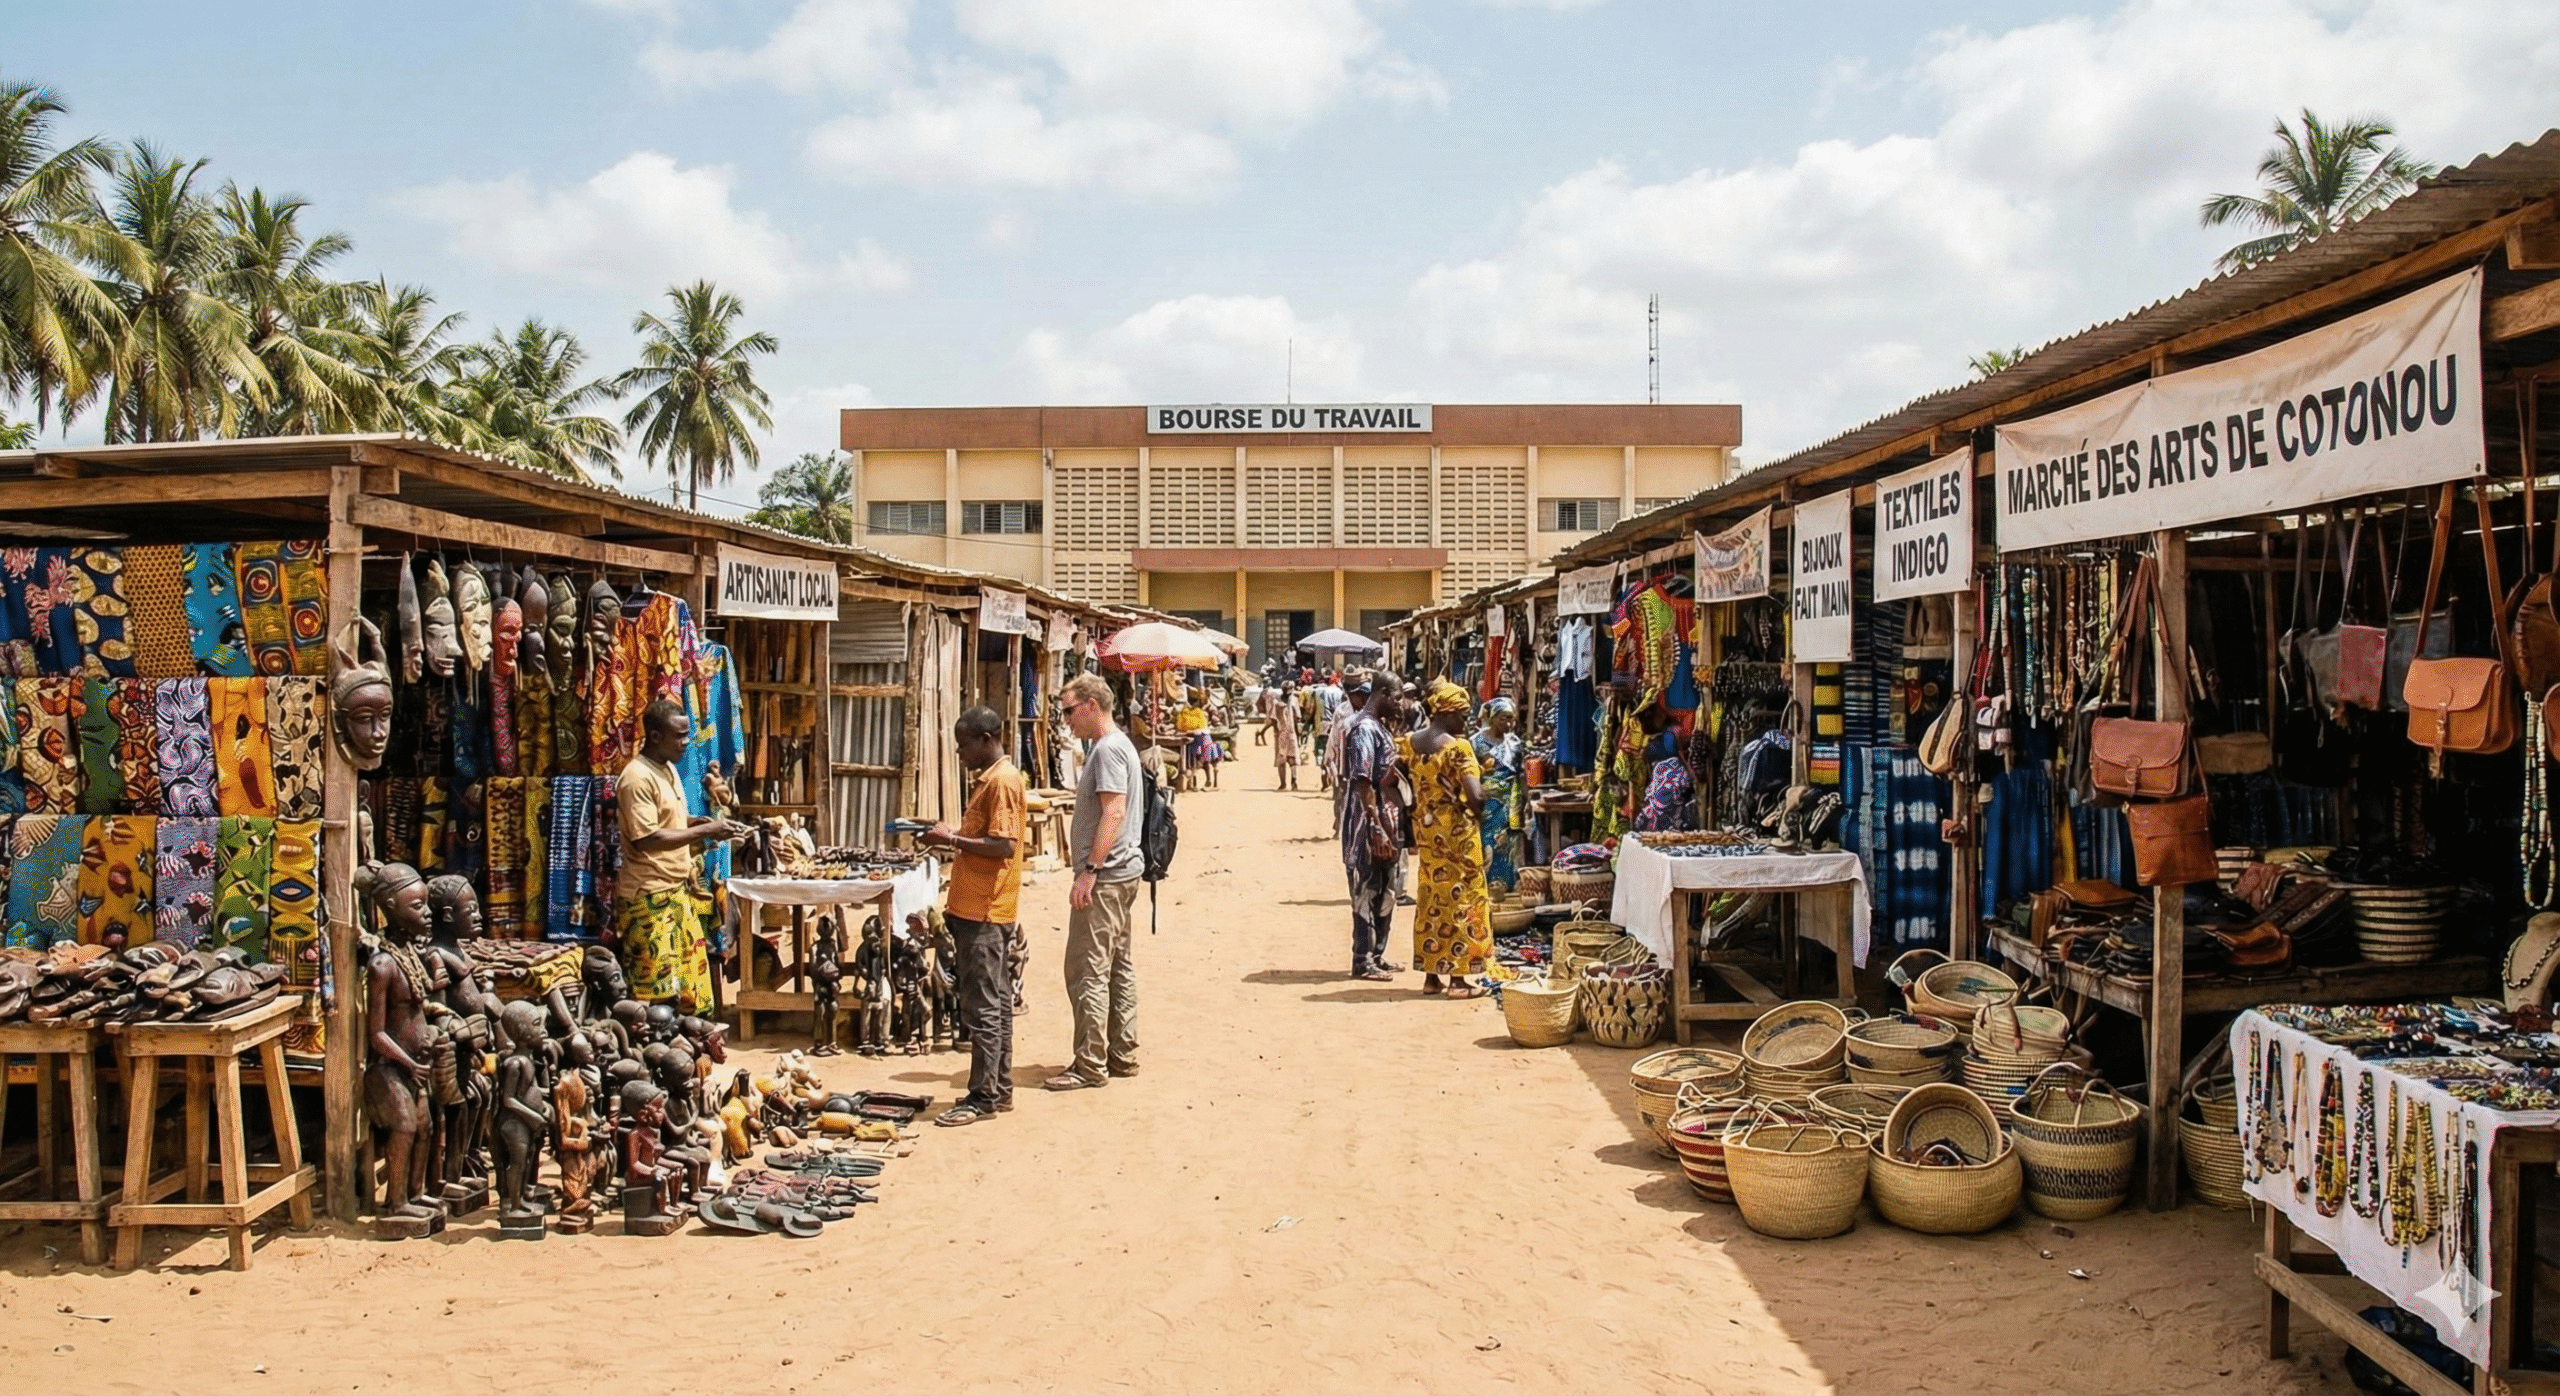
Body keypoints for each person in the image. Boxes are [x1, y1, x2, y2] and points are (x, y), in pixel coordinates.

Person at [616, 700, 751, 1015]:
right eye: (679, 736)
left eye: (687, 734)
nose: (686, 743)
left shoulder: (667, 769)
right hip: (648, 898)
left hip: (676, 892)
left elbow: (668, 823)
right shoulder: (636, 778)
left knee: (689, 990)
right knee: (656, 997)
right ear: (654, 736)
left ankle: (684, 1054)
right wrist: (704, 833)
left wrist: (698, 824)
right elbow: (647, 838)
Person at [925, 706, 1025, 1126]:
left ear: (986, 740)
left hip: (984, 910)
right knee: (996, 1004)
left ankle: (982, 1096)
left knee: (983, 1007)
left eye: (964, 745)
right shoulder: (996, 779)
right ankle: (997, 1089)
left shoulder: (1000, 781)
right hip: (985, 907)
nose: (959, 754)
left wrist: (954, 839)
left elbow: (1002, 845)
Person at [1050, 673, 1143, 1089]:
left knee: (1088, 969)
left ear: (1091, 705)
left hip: (1106, 877)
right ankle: (1120, 1053)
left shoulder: (1107, 750)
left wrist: (1089, 870)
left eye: (1069, 710)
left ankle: (1090, 1064)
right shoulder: (1118, 746)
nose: (1066, 719)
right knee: (1118, 966)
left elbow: (1114, 812)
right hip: (1124, 873)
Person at [1410, 681, 1492, 998]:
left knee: (1432, 900)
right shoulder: (1459, 748)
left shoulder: (1411, 743)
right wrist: (1479, 806)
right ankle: (1458, 980)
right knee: (1465, 899)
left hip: (1429, 834)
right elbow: (1475, 794)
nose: (1466, 722)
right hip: (1457, 833)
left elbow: (1390, 780)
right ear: (1449, 713)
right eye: (1463, 715)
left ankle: (1432, 977)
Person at [1338, 671, 1405, 981]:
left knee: (1387, 889)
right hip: (1369, 823)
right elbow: (1363, 781)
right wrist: (1376, 826)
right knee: (1367, 888)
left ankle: (1377, 955)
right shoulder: (1364, 729)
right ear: (1382, 693)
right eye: (1397, 697)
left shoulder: (1380, 727)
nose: (1401, 703)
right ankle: (1362, 960)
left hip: (1387, 821)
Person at [1473, 697, 1524, 895]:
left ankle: (1507, 891)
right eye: (1504, 719)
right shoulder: (1476, 743)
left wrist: (1524, 803)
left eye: (1511, 719)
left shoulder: (1515, 743)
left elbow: (1520, 775)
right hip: (1487, 804)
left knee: (1509, 845)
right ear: (1492, 718)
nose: (1509, 724)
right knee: (1488, 844)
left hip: (1511, 803)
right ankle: (1485, 891)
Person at [1271, 679, 1302, 790]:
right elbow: (1298, 717)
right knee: (1288, 758)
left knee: (1286, 759)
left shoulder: (1280, 701)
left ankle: (1288, 782)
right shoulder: (1291, 700)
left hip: (1286, 733)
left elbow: (1274, 720)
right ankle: (1289, 782)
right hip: (1287, 733)